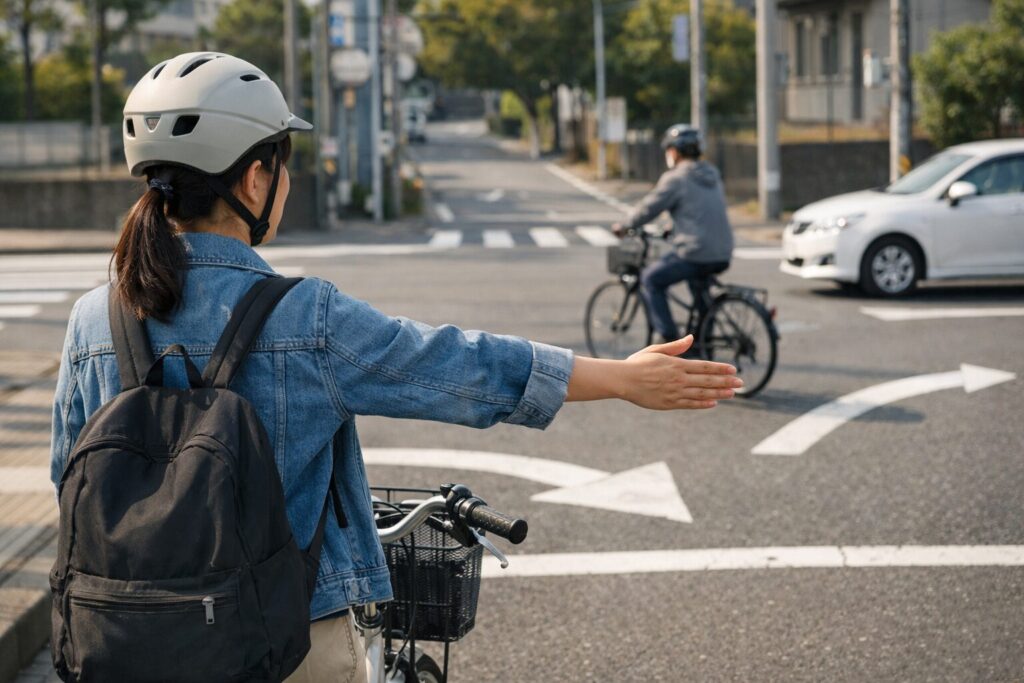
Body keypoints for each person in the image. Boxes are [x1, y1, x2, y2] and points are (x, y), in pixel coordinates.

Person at [49, 54, 742, 682]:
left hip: (123, 638)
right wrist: (620, 378)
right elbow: (455, 365)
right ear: (255, 179)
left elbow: (68, 477)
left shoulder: (93, 320)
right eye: (284, 163)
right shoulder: (305, 316)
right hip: (287, 641)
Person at [613, 124, 735, 345]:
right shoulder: (712, 173)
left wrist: (624, 225)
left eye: (669, 149)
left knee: (651, 279)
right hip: (723, 250)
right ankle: (701, 342)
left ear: (676, 151)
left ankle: (670, 341)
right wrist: (673, 227)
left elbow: (649, 208)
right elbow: (697, 209)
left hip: (695, 251)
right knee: (699, 290)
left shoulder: (676, 178)